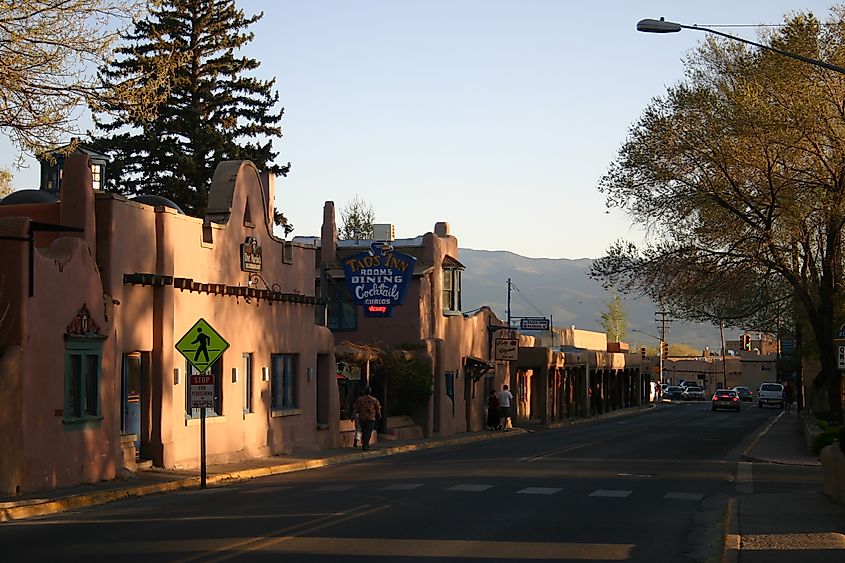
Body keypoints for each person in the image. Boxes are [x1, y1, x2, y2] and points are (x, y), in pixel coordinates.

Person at [352, 386, 382, 450]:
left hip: (362, 418)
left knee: (364, 431)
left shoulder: (359, 399)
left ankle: (365, 444)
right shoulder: (374, 399)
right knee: (368, 432)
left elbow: (355, 409)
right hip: (370, 419)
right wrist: (379, 416)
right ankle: (365, 444)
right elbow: (378, 409)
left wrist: (353, 416)